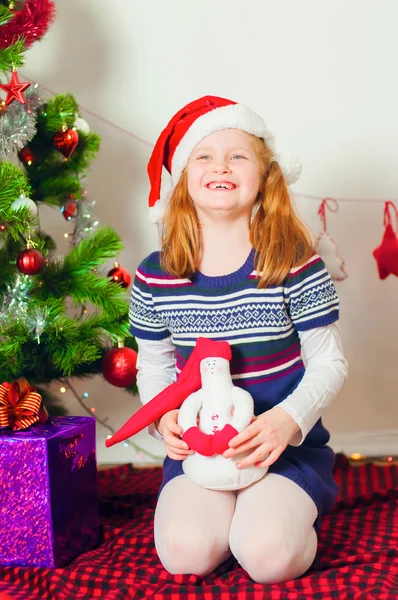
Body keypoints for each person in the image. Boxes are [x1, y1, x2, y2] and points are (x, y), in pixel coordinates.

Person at [129, 96, 348, 584]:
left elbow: (329, 363)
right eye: (203, 156)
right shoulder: (154, 276)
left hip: (281, 449)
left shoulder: (292, 261)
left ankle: (284, 512)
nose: (220, 166)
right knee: (184, 555)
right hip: (204, 450)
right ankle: (232, 516)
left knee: (269, 557)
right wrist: (164, 416)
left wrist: (284, 422)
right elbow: (155, 366)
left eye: (238, 155)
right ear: (184, 178)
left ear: (265, 176)